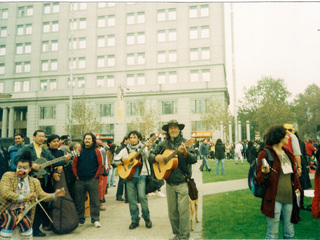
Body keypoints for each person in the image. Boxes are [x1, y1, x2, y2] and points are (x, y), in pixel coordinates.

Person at [14, 130, 70, 237]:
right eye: (39, 136)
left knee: (41, 205)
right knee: (28, 205)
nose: (41, 138)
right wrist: (31, 164)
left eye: (43, 136)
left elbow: (55, 161)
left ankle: (35, 229)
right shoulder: (27, 148)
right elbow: (16, 159)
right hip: (30, 180)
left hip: (42, 181)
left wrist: (65, 160)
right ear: (33, 137)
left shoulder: (45, 152)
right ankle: (24, 228)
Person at [0, 149, 65, 240]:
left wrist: (54, 195)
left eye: (24, 168)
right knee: (11, 220)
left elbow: (42, 196)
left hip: (24, 211)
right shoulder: (8, 176)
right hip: (7, 208)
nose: (21, 170)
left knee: (27, 226)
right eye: (19, 167)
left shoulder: (34, 182)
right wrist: (25, 197)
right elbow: (5, 193)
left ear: (30, 169)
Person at [149, 120, 197, 240]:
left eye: (175, 128)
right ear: (168, 131)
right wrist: (155, 157)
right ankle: (176, 234)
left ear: (179, 130)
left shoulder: (185, 142)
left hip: (182, 182)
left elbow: (194, 159)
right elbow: (149, 155)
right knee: (172, 212)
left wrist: (185, 152)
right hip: (169, 183)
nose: (173, 130)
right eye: (171, 128)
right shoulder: (163, 144)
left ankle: (184, 237)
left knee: (183, 211)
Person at [257, 125, 302, 239]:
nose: (288, 136)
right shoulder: (265, 153)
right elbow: (260, 179)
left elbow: (294, 175)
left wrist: (297, 188)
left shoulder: (287, 153)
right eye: (285, 134)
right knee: (273, 234)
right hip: (273, 199)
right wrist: (265, 173)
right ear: (279, 137)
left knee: (289, 234)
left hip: (289, 199)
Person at [114, 130, 152, 230]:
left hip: (141, 176)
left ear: (139, 138)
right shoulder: (125, 150)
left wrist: (148, 147)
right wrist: (122, 160)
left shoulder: (142, 148)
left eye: (135, 137)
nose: (132, 139)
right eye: (131, 138)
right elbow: (115, 159)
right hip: (129, 177)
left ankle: (147, 217)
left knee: (142, 197)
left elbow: (149, 157)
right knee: (131, 199)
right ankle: (134, 220)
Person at [72, 132, 102, 228]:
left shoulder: (96, 151)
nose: (87, 140)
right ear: (83, 140)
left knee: (94, 201)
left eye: (89, 138)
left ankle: (95, 219)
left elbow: (100, 165)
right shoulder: (79, 151)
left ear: (92, 140)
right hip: (80, 180)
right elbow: (74, 165)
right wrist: (77, 176)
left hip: (92, 180)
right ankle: (80, 219)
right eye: (86, 138)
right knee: (79, 201)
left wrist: (95, 176)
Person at [115, 136, 129, 202]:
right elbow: (116, 157)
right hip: (122, 166)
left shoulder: (125, 147)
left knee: (123, 181)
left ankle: (121, 195)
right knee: (122, 181)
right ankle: (119, 195)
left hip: (125, 166)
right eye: (129, 140)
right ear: (125, 140)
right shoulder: (121, 148)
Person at [97, 139, 107, 211]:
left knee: (101, 188)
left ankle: (100, 202)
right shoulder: (101, 150)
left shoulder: (101, 151)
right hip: (100, 171)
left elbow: (103, 162)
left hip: (100, 171)